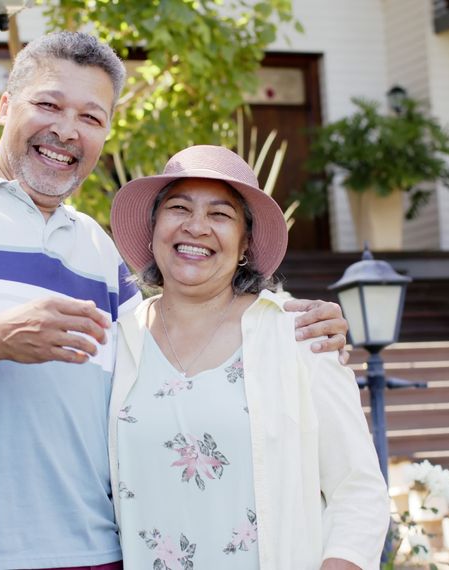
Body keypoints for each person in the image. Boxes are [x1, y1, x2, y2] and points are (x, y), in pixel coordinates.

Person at [0, 32, 351, 570]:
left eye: (91, 118)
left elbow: (180, 355)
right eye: (48, 104)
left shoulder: (100, 251)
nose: (67, 131)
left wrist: (289, 323)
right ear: (4, 106)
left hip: (101, 555)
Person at [107, 145, 389, 570]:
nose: (196, 226)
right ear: (152, 230)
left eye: (220, 215)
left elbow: (359, 489)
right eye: (179, 208)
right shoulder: (118, 341)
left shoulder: (299, 334)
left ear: (244, 245)